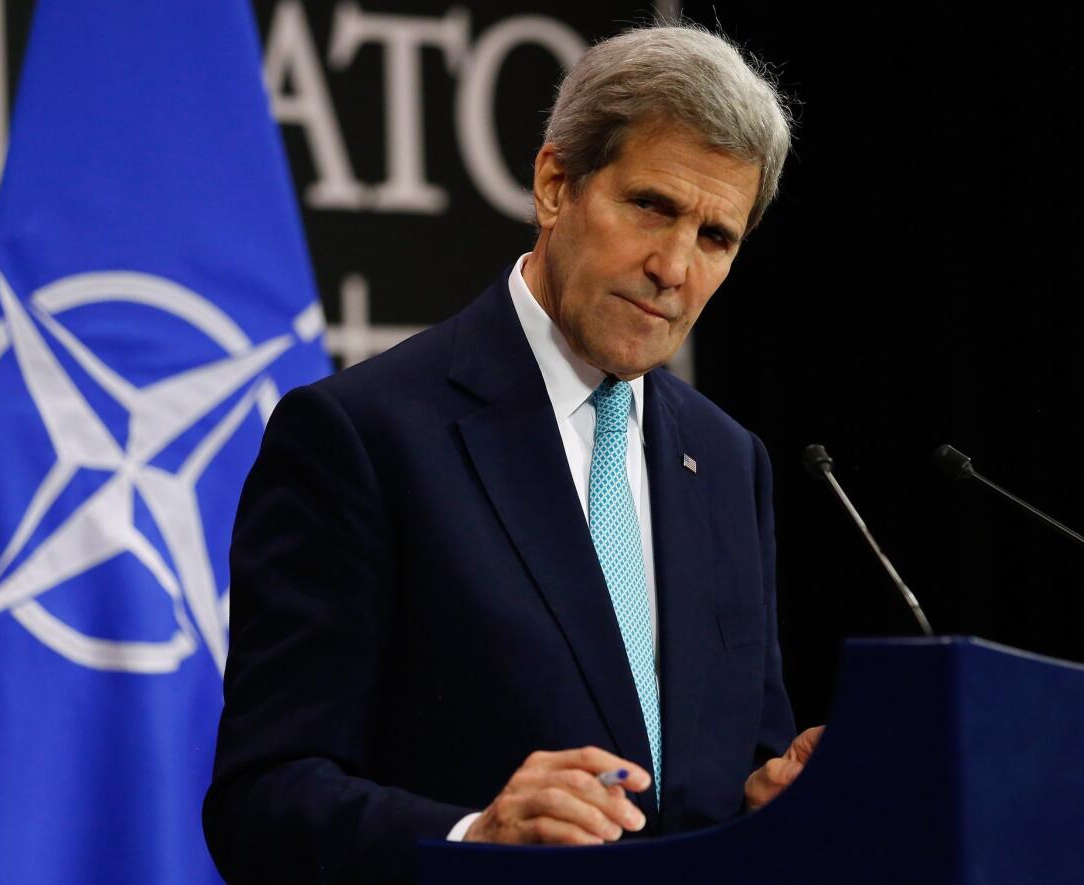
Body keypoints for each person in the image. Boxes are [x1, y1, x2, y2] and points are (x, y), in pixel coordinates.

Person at [204, 21, 822, 885]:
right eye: (652, 206)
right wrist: (471, 837)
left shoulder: (727, 461)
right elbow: (262, 800)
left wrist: (773, 795)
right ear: (555, 183)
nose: (674, 267)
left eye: (716, 237)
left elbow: (734, 762)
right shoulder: (363, 436)